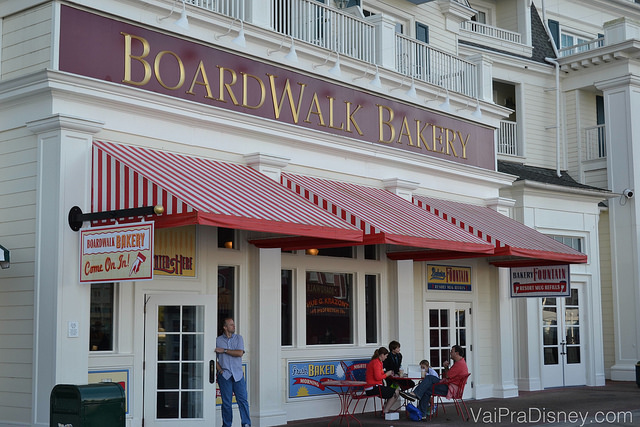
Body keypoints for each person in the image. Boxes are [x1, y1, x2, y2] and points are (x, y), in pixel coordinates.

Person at [400, 345, 469, 419]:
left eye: (451, 351)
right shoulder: (460, 362)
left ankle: (417, 400)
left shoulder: (459, 364)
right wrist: (446, 368)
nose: (450, 353)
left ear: (456, 353)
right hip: (449, 385)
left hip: (450, 389)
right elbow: (448, 376)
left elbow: (447, 376)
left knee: (428, 382)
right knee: (428, 384)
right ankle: (421, 411)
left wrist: (445, 367)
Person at [216, 318, 251, 427]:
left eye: (233, 324)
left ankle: (246, 424)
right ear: (225, 327)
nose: (234, 326)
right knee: (226, 404)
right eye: (231, 325)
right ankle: (227, 425)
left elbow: (239, 353)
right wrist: (220, 370)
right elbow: (212, 358)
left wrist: (225, 350)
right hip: (225, 376)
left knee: (243, 401)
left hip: (238, 375)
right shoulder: (217, 340)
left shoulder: (239, 338)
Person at [365, 347, 402, 416]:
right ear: (382, 355)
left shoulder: (378, 362)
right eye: (386, 356)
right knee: (396, 392)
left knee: (391, 390)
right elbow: (378, 377)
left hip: (374, 386)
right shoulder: (376, 363)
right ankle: (385, 411)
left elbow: (379, 374)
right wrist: (387, 374)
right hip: (373, 388)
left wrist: (386, 373)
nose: (386, 358)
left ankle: (385, 409)